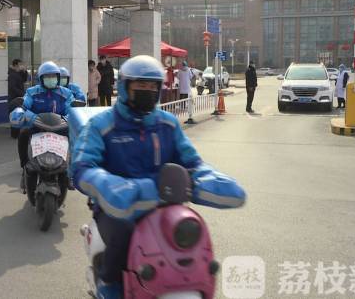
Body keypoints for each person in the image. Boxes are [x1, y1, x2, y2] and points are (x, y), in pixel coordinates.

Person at [71, 55, 246, 299]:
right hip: (117, 208)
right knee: (122, 234)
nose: (148, 91)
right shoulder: (102, 125)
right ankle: (109, 284)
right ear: (124, 87)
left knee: (193, 241)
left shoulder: (168, 124)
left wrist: (206, 180)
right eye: (141, 86)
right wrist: (106, 183)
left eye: (153, 86)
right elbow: (82, 166)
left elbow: (192, 162)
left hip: (164, 207)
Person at [10, 61, 74, 169]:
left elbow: (71, 109)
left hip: (60, 126)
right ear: (40, 78)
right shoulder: (32, 92)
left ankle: (71, 169)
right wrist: (20, 109)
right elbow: (25, 104)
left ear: (58, 77)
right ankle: (25, 165)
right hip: (37, 126)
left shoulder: (66, 93)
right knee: (23, 134)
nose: (51, 78)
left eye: (53, 76)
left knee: (75, 137)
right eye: (47, 76)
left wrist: (70, 118)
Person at [8, 59, 29, 138]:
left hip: (19, 98)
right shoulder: (12, 74)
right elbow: (12, 87)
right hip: (14, 99)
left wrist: (24, 71)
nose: (21, 66)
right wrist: (22, 94)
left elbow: (24, 79)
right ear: (16, 65)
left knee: (18, 114)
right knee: (14, 115)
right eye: (20, 64)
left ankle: (17, 133)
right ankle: (14, 134)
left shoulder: (17, 73)